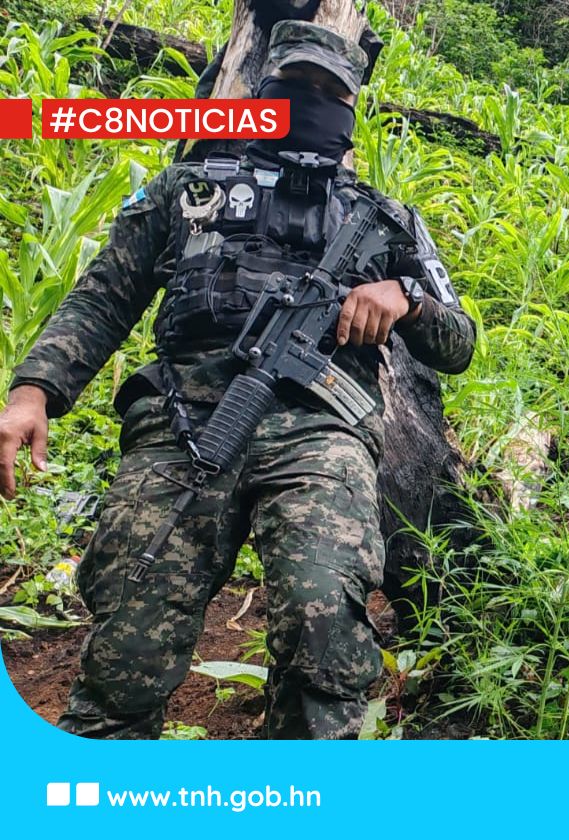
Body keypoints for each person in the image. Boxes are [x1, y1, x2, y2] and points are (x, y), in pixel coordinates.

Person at [0, 21, 476, 737]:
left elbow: (460, 342)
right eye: (293, 88)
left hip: (321, 428)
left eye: (328, 93)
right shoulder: (187, 190)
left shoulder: (385, 220)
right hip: (184, 424)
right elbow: (103, 295)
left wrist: (404, 300)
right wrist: (33, 391)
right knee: (128, 635)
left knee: (325, 630)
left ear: (351, 110)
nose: (309, 103)